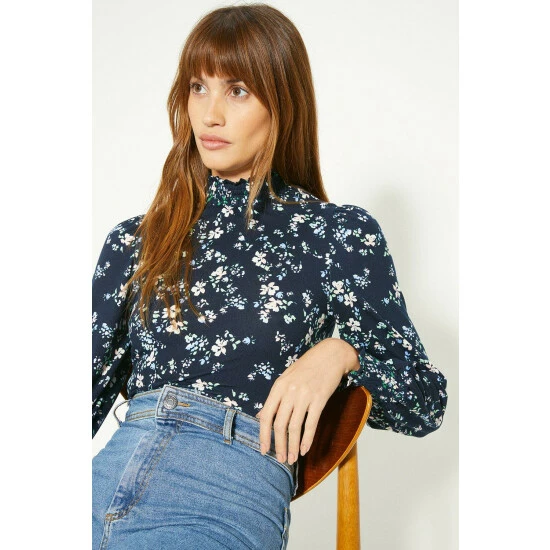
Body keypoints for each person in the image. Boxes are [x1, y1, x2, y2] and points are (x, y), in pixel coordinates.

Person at [92, 3, 448, 549]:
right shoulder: (136, 241)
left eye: (237, 90)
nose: (210, 114)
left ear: (282, 102)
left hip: (222, 494)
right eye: (197, 87)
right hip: (102, 480)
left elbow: (423, 401)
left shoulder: (336, 235)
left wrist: (341, 352)